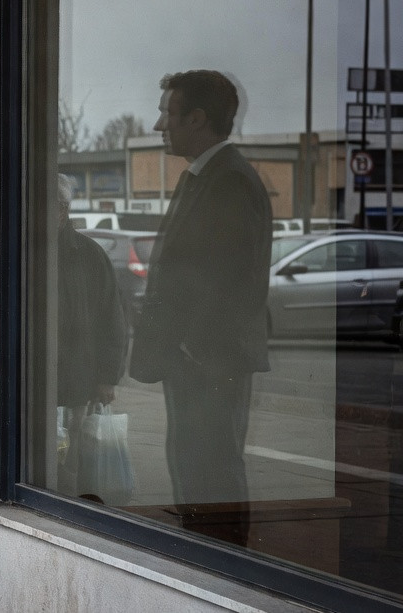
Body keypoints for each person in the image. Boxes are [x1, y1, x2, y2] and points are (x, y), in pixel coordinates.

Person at [130, 70, 271, 546]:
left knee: (211, 474)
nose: (158, 126)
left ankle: (224, 572)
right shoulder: (206, 175)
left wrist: (191, 347)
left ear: (197, 118)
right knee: (196, 471)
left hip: (210, 364)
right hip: (197, 363)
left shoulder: (228, 180)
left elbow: (233, 281)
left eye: (167, 114)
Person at [53, 174, 126, 498]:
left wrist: (107, 378)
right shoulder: (21, 251)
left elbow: (112, 320)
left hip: (76, 380)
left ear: (63, 209)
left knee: (76, 454)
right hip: (32, 383)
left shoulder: (89, 254)